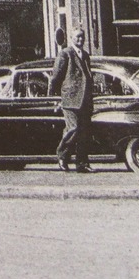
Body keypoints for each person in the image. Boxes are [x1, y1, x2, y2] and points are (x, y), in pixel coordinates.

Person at [49, 25, 94, 173]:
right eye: (77, 36)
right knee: (73, 129)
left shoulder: (86, 55)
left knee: (84, 133)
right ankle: (62, 155)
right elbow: (56, 76)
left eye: (82, 36)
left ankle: (82, 163)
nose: (80, 39)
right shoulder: (65, 54)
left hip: (85, 100)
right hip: (70, 99)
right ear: (71, 38)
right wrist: (54, 95)